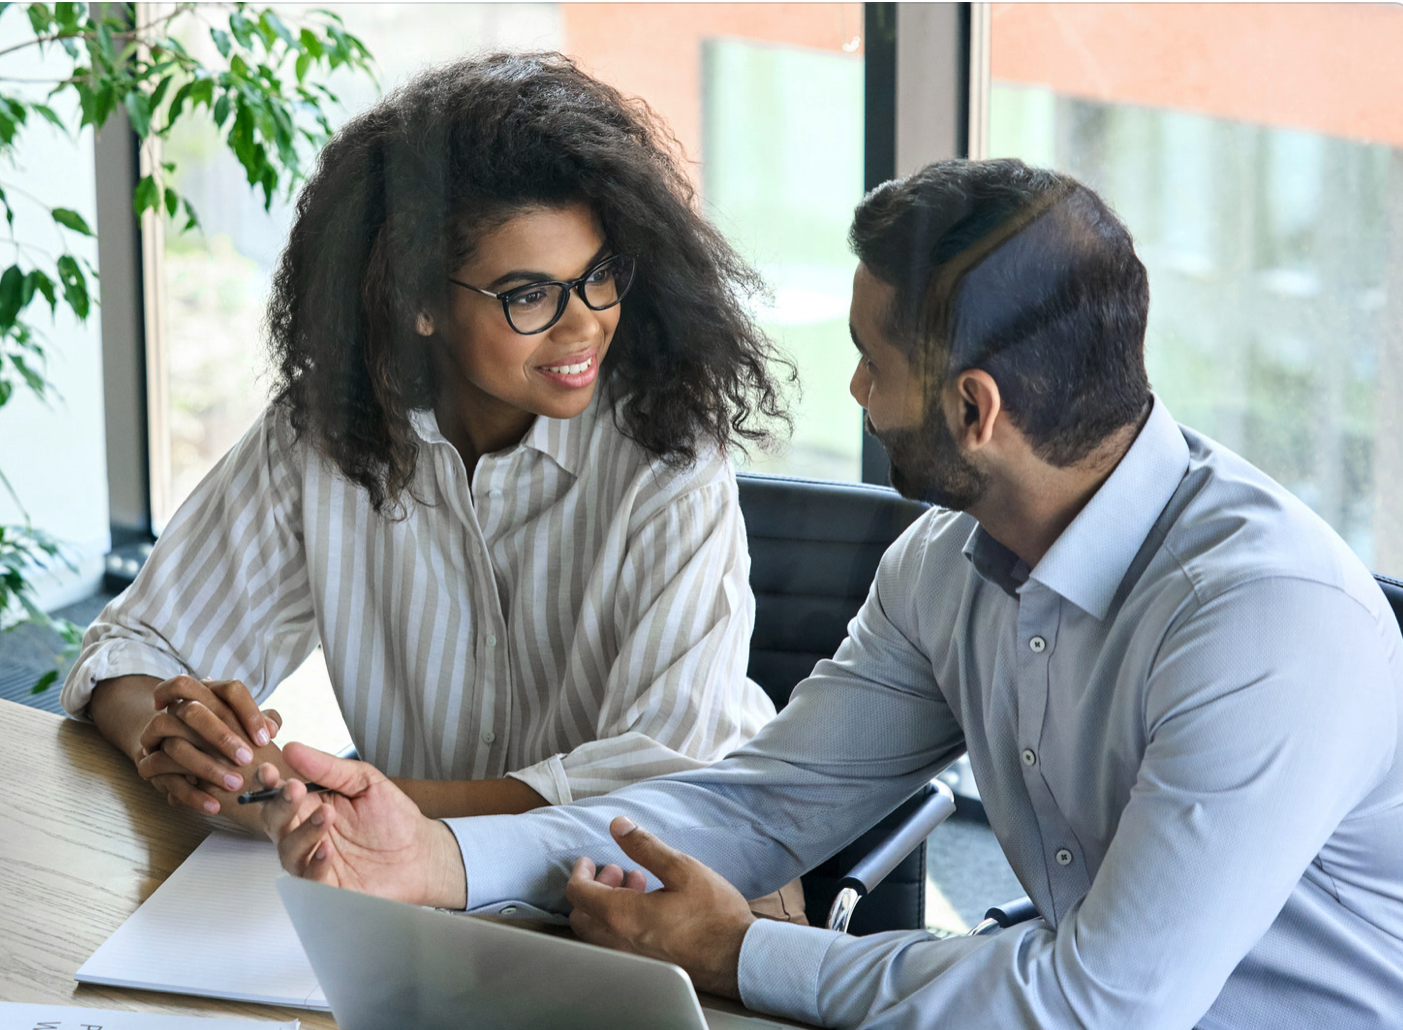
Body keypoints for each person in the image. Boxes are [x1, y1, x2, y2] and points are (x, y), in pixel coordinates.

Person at [258, 158, 1403, 1029]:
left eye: (870, 358)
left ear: (974, 410)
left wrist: (737, 952)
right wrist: (437, 858)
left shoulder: (1263, 626)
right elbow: (759, 806)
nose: (851, 387)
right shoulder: (945, 563)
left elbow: (1097, 1005)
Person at [61, 52, 808, 918]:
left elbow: (657, 782)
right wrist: (178, 739)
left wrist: (355, 809)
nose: (585, 323)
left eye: (599, 275)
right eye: (529, 293)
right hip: (409, 888)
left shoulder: (669, 454)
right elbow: (134, 648)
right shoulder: (327, 430)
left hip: (670, 890)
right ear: (416, 299)